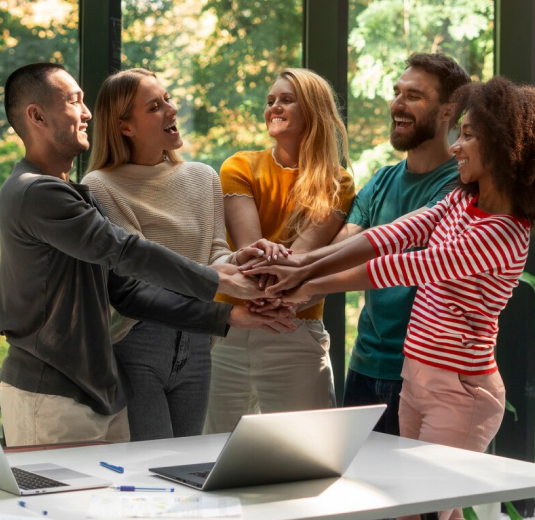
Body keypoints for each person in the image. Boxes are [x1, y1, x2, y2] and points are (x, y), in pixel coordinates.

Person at [248, 75, 535, 520]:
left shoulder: (503, 231)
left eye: (470, 135)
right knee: (416, 510)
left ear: (501, 146)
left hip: (459, 392)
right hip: (417, 376)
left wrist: (307, 283)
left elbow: (411, 265)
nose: (457, 145)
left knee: (424, 510)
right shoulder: (461, 200)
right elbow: (398, 234)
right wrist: (306, 265)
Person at [0, 63, 291, 446]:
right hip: (51, 394)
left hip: (100, 393)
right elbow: (124, 250)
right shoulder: (35, 192)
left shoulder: (75, 194)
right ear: (36, 116)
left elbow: (128, 292)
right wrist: (216, 279)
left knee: (142, 499)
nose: (87, 113)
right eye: (73, 102)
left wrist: (229, 314)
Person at [244, 53, 471, 436]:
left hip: (425, 373)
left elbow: (387, 255)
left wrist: (305, 280)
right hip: (365, 367)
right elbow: (348, 241)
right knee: (358, 493)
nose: (396, 104)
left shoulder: (459, 186)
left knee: (425, 492)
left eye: (413, 96)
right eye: (397, 93)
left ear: (448, 110)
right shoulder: (382, 180)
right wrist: (291, 275)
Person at [82, 68, 292, 441]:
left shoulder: (202, 177)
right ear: (126, 126)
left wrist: (242, 259)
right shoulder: (99, 187)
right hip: (137, 342)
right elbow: (141, 277)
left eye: (168, 98)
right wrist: (226, 301)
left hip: (197, 343)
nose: (171, 109)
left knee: (187, 462)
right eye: (154, 106)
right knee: (151, 468)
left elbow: (213, 252)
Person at [203, 67, 355, 434]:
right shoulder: (239, 166)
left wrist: (278, 287)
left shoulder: (338, 181)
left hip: (295, 329)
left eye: (286, 100)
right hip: (231, 333)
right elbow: (252, 257)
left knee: (304, 455)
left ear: (313, 111)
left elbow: (298, 265)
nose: (274, 107)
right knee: (211, 453)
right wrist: (269, 275)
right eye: (271, 101)